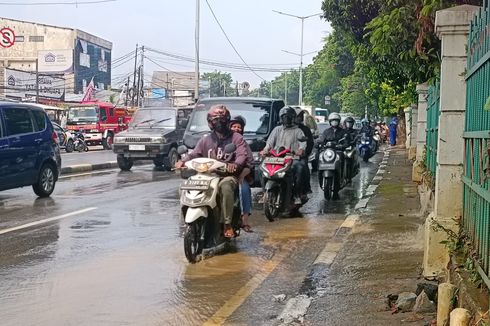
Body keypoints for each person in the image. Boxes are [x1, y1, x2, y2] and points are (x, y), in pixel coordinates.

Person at [175, 105, 251, 238]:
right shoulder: (206, 139)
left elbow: (242, 155)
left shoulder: (236, 138)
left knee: (226, 187)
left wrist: (235, 165)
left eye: (222, 120)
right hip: (206, 175)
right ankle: (184, 220)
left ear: (227, 120)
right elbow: (194, 154)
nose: (218, 123)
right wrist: (183, 161)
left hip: (226, 176)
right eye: (215, 120)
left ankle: (227, 224)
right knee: (186, 186)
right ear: (210, 122)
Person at [261, 106, 308, 205]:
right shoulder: (277, 130)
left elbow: (302, 145)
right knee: (261, 169)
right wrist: (265, 151)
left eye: (288, 117)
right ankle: (264, 192)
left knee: (299, 168)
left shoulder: (298, 131)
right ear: (281, 118)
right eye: (284, 117)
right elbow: (269, 144)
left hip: (291, 158)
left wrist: (300, 150)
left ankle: (296, 194)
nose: (286, 119)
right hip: (276, 158)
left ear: (293, 117)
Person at [229, 115, 254, 233]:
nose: (236, 129)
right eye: (234, 126)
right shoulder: (222, 141)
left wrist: (243, 173)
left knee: (243, 189)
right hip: (221, 174)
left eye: (239, 127)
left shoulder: (243, 143)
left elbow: (250, 162)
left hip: (239, 175)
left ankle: (245, 220)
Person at [319, 112, 348, 199]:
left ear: (339, 122)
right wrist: (318, 144)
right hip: (328, 152)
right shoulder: (326, 132)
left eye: (336, 121)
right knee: (319, 156)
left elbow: (346, 142)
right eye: (333, 121)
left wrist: (342, 146)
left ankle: (342, 175)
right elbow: (321, 140)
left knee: (342, 156)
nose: (334, 122)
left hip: (338, 151)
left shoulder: (343, 132)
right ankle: (319, 173)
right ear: (330, 122)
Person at [294, 107, 314, 194]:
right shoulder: (278, 129)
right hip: (282, 156)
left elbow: (309, 143)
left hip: (299, 156)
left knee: (302, 166)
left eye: (301, 116)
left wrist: (305, 153)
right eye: (298, 115)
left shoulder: (304, 129)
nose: (300, 117)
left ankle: (303, 189)